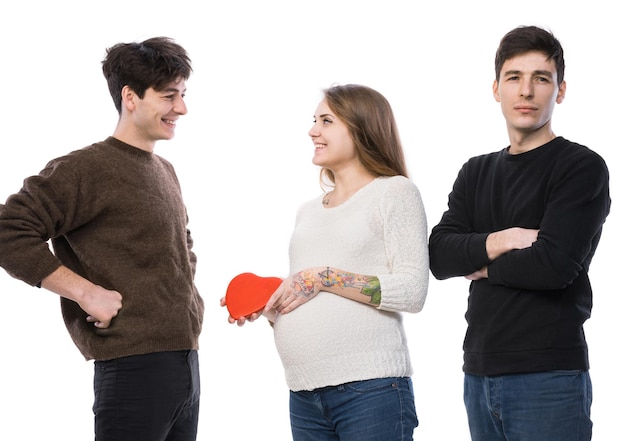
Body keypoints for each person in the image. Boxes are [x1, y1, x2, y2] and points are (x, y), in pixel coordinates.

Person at [0, 37, 204, 441]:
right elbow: (8, 230)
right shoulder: (86, 169)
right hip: (132, 369)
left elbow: (182, 251)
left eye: (182, 95)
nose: (181, 108)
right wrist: (85, 292)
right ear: (131, 96)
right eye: (169, 96)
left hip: (184, 366)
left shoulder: (164, 170)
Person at [428, 25, 611, 441]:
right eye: (514, 77)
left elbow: (553, 265)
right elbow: (439, 256)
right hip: (477, 372)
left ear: (560, 91)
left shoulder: (580, 167)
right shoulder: (475, 172)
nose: (526, 91)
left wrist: (480, 265)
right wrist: (503, 239)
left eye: (540, 78)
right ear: (496, 88)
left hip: (548, 377)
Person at [222, 84, 429, 440]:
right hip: (303, 394)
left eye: (326, 120)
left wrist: (326, 277)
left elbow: (413, 291)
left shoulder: (394, 192)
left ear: (362, 128)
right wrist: (272, 308)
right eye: (314, 120)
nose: (312, 130)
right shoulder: (307, 212)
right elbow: (309, 294)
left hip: (369, 390)